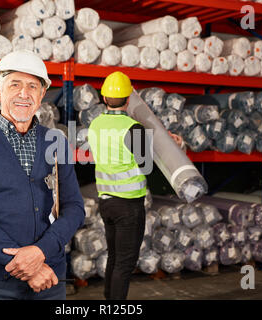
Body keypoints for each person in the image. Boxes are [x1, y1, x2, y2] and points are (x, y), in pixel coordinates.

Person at [0, 50, 85, 300]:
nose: (24, 94)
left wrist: (40, 253)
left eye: (33, 86)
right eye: (15, 84)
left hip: (49, 278)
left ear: (42, 94)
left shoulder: (56, 141)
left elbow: (75, 207)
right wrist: (27, 266)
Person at [88, 71, 183, 300]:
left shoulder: (95, 125)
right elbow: (145, 163)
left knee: (114, 257)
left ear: (103, 98)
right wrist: (168, 144)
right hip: (128, 206)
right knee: (124, 263)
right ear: (128, 100)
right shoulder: (133, 128)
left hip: (106, 202)